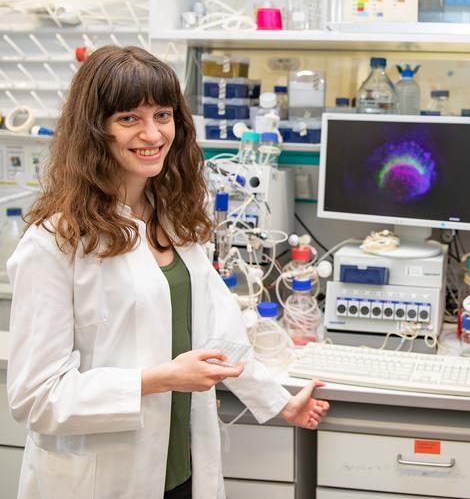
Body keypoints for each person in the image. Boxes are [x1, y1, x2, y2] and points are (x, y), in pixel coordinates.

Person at [6, 45, 329, 499]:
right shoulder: (55, 242)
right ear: (94, 130)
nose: (152, 133)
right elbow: (36, 397)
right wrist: (160, 380)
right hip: (101, 479)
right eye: (129, 119)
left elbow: (216, 332)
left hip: (180, 472)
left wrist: (278, 400)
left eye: (162, 114)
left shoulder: (173, 220)